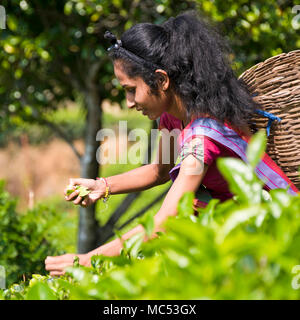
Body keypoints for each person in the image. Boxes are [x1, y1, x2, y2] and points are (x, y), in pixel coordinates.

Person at [45, 11, 299, 276]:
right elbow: (159, 170)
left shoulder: (202, 138)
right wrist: (102, 186)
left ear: (162, 80)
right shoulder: (171, 117)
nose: (129, 102)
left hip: (277, 234)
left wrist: (85, 261)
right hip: (236, 232)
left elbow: (163, 224)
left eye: (132, 89)